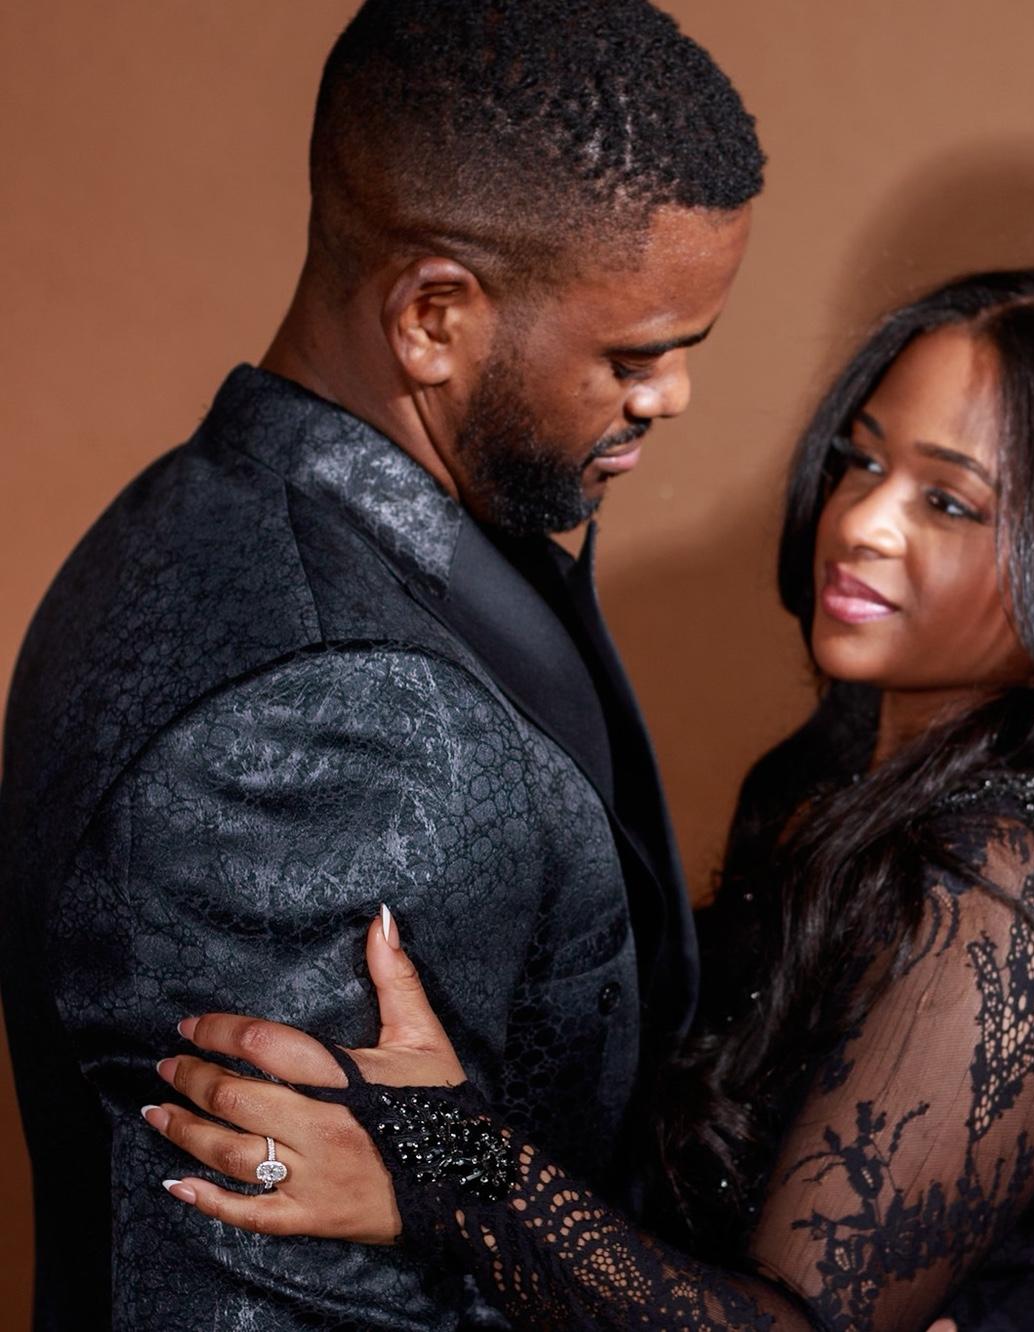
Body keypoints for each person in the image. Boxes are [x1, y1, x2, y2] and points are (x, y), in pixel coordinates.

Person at [145, 270, 1034, 1330]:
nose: (859, 524)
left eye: (950, 502)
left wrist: (448, 1165)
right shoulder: (846, 791)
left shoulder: (1011, 881)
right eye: (863, 460)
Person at [0, 1, 764, 1326]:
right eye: (634, 357)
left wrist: (463, 1173)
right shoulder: (327, 729)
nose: (671, 397)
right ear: (433, 316)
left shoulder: (215, 507)